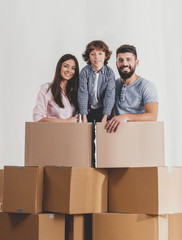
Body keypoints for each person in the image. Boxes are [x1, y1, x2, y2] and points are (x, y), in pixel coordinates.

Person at [106, 44, 158, 133]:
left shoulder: (146, 86)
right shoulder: (112, 85)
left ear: (136, 63)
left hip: (140, 135)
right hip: (116, 135)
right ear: (116, 64)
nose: (124, 64)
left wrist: (126, 117)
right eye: (121, 60)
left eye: (128, 59)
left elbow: (152, 116)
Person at [33, 54, 79, 122]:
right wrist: (65, 121)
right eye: (66, 66)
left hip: (73, 131)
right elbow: (37, 117)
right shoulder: (46, 89)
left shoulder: (77, 91)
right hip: (54, 131)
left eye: (73, 68)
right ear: (59, 67)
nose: (69, 70)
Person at [78, 40, 115, 123]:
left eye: (100, 53)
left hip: (103, 110)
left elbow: (110, 95)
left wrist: (105, 116)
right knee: (88, 132)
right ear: (88, 56)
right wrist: (84, 116)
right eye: (93, 54)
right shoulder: (84, 72)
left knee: (102, 131)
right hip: (88, 110)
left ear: (106, 55)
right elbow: (82, 93)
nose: (96, 57)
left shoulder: (109, 73)